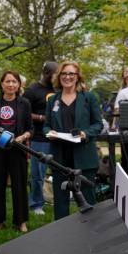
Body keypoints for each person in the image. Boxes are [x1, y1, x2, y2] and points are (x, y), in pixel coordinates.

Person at [44, 61, 102, 220]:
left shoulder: (89, 98)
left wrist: (86, 133)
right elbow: (46, 126)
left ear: (77, 77)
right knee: (61, 202)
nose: (67, 77)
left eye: (71, 74)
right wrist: (50, 132)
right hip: (60, 157)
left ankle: (91, 231)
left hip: (84, 157)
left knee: (87, 199)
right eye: (64, 74)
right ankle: (62, 236)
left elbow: (98, 124)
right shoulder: (52, 100)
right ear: (59, 77)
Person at [0, 71, 33, 231]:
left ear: (19, 85)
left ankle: (20, 221)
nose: (11, 84)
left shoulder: (25, 103)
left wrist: (22, 137)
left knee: (19, 185)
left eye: (14, 81)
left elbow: (30, 128)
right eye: (8, 81)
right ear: (1, 84)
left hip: (18, 149)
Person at [24, 61, 58, 216]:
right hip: (39, 138)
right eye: (56, 74)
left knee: (60, 171)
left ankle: (57, 198)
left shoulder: (58, 89)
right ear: (47, 73)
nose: (58, 77)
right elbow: (23, 112)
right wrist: (41, 117)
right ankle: (36, 204)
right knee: (38, 173)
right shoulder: (32, 90)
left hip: (58, 137)